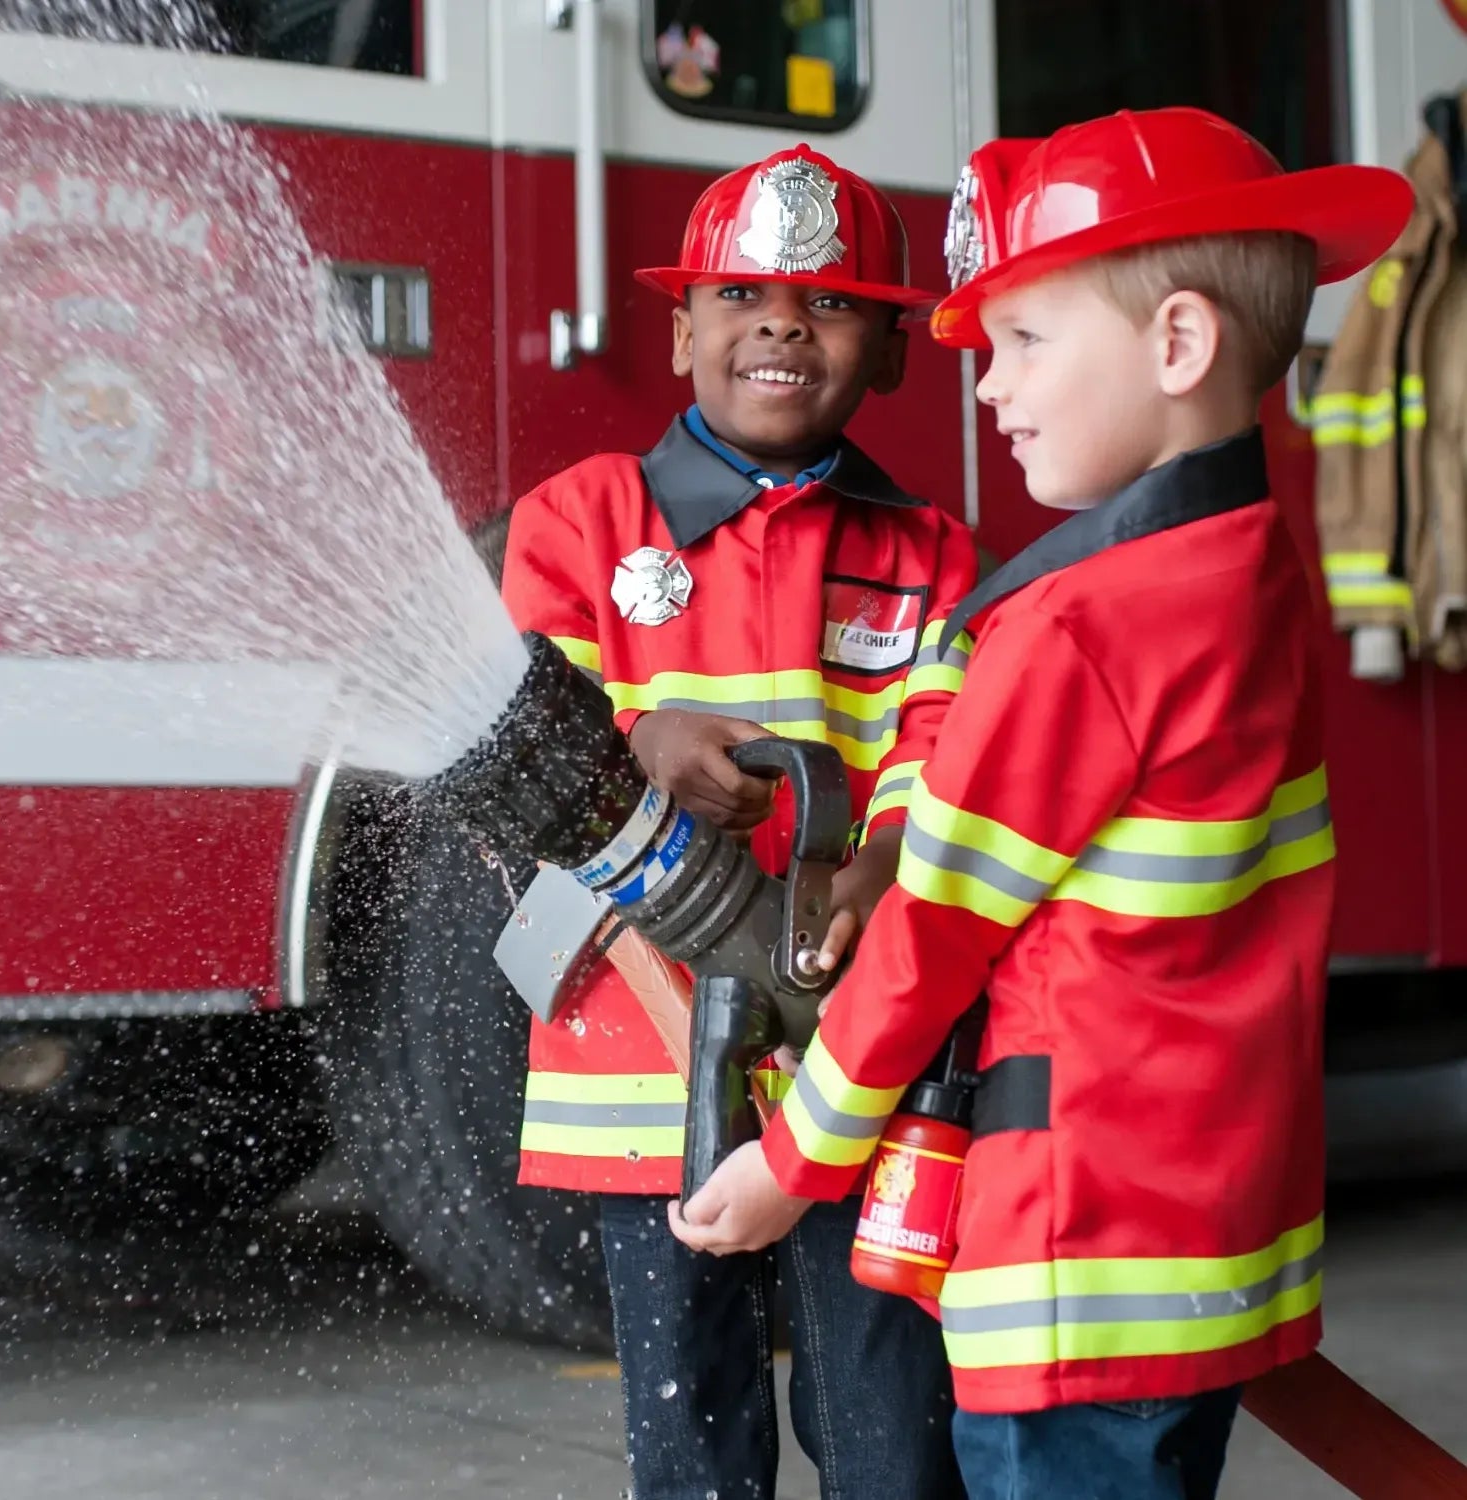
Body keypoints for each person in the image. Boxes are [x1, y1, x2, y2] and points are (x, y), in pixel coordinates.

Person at [669, 108, 1414, 1500]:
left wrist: (793, 1161)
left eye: (1023, 342)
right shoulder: (1247, 578)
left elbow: (933, 931)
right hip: (1207, 1236)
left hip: (1071, 1257)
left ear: (1177, 345)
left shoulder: (1085, 625)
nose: (988, 390)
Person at [499, 144, 977, 1500]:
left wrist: (881, 861)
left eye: (829, 305)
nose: (780, 322)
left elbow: (947, 748)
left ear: (890, 350)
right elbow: (507, 766)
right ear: (680, 330)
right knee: (690, 1430)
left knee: (886, 1426)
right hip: (638, 1061)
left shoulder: (935, 553)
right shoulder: (580, 525)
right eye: (743, 295)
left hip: (861, 1067)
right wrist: (634, 739)